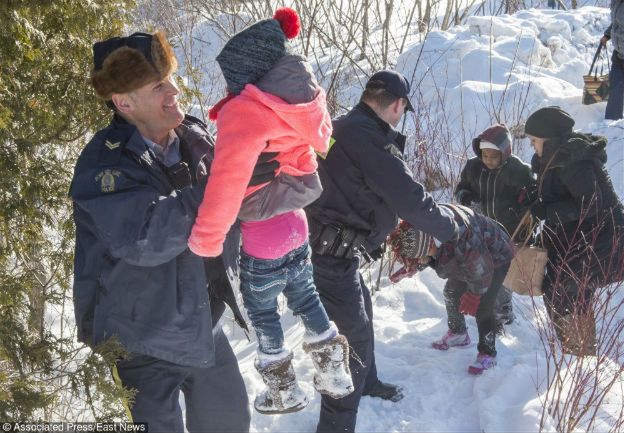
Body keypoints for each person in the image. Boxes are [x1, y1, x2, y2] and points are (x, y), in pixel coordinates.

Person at [70, 30, 276, 432]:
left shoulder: (194, 136)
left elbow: (229, 209)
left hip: (203, 327)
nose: (175, 90)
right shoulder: (102, 165)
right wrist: (222, 186)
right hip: (141, 342)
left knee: (230, 424)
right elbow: (146, 236)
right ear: (124, 102)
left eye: (171, 78)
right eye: (159, 84)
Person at [187, 8, 353, 415]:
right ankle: (334, 371)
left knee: (262, 310)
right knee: (306, 296)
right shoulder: (301, 99)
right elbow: (322, 145)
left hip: (263, 235)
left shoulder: (245, 111)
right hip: (298, 224)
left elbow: (227, 182)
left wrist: (206, 240)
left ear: (245, 74)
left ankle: (283, 390)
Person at [305, 70, 459, 432]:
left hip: (334, 250)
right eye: (404, 109)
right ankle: (336, 426)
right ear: (397, 104)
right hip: (330, 256)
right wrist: (450, 228)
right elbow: (408, 197)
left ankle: (367, 383)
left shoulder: (345, 127)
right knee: (348, 343)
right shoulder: (366, 137)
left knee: (363, 316)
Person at [522, 106, 624, 356]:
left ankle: (580, 353)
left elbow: (591, 204)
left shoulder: (572, 161)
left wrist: (546, 212)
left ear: (548, 138)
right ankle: (575, 350)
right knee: (559, 287)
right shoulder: (554, 158)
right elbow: (558, 194)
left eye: (534, 140)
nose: (532, 145)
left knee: (566, 287)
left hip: (604, 237)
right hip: (579, 235)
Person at [388, 204, 514, 375]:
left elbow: (481, 270)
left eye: (422, 254)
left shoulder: (463, 237)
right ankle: (459, 334)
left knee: (484, 306)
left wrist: (474, 295)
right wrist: (414, 266)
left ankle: (488, 353)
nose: (423, 258)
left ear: (431, 241)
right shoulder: (429, 226)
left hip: (496, 255)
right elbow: (431, 253)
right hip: (469, 259)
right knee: (452, 292)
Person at [455, 123, 535, 328]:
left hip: (508, 231)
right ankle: (483, 303)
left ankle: (502, 311)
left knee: (502, 273)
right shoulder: (473, 167)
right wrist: (467, 201)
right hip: (480, 230)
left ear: (505, 153)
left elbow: (531, 200)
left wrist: (523, 207)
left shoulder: (519, 171)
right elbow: (462, 187)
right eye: (485, 156)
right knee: (481, 268)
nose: (488, 161)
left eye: (494, 156)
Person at [601, 1, 624, 120]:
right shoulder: (616, 2)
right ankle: (611, 123)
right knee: (615, 88)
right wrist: (607, 35)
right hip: (619, 55)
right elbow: (616, 22)